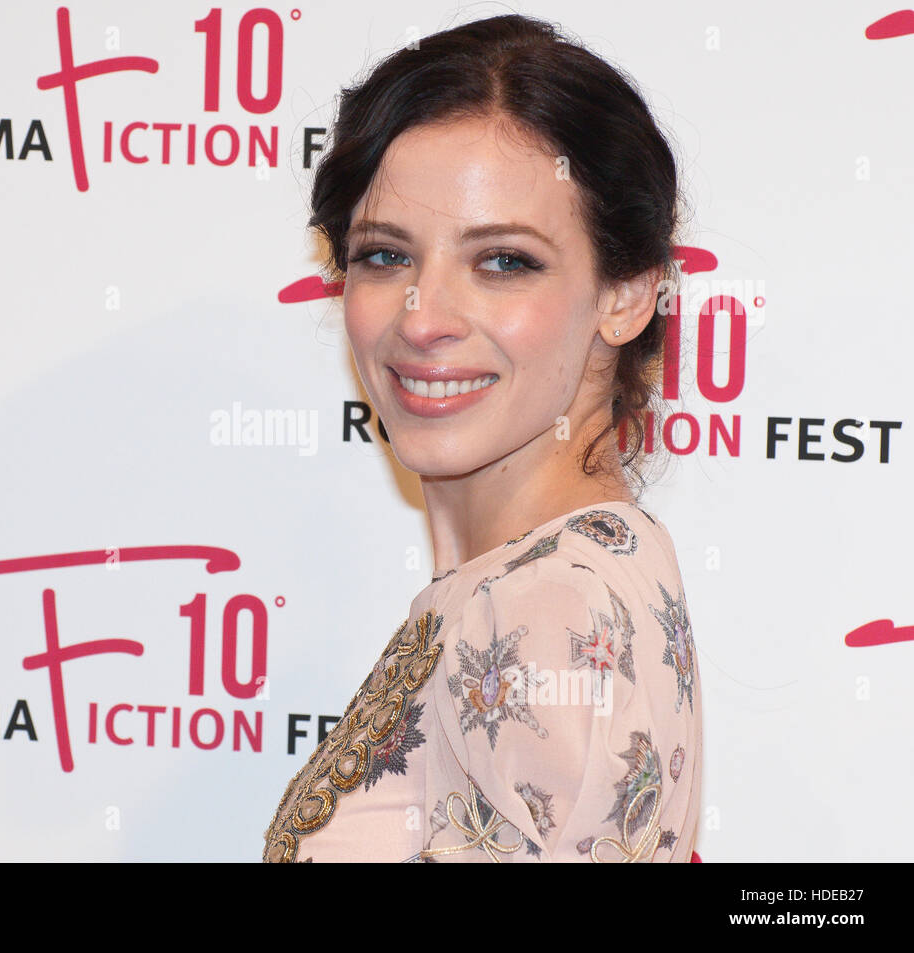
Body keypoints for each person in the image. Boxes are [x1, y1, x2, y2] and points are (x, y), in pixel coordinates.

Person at [263, 13, 702, 862]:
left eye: (503, 261)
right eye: (386, 256)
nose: (424, 320)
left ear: (628, 293)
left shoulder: (543, 608)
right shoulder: (576, 572)